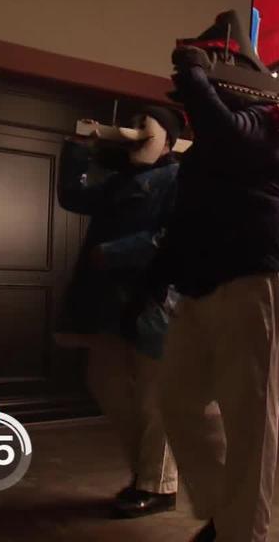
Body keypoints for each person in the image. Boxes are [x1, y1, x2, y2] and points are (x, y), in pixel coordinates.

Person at [156, 11, 279, 542]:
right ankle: (227, 512)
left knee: (250, 424)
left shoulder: (273, 115)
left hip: (254, 280)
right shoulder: (212, 136)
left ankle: (240, 533)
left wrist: (196, 80)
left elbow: (230, 139)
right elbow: (188, 214)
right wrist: (157, 277)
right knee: (176, 398)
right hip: (201, 284)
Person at [57, 106, 182, 517]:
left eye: (149, 129)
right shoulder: (119, 181)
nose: (138, 133)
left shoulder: (177, 179)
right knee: (104, 380)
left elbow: (172, 238)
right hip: (109, 302)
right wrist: (79, 149)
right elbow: (74, 196)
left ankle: (158, 484)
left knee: (154, 396)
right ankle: (146, 473)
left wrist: (114, 253)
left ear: (169, 139)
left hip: (151, 299)